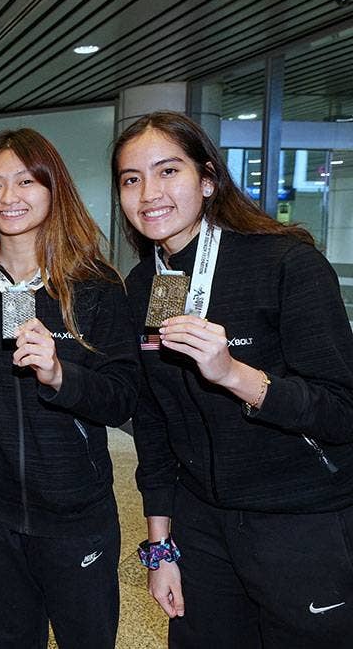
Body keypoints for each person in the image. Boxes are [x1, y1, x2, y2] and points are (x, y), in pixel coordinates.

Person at [114, 111, 353, 647]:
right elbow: (153, 424)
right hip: (201, 525)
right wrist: (161, 550)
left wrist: (235, 375)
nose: (149, 192)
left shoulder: (286, 263)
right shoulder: (145, 283)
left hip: (300, 520)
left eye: (168, 171)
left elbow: (342, 410)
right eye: (132, 179)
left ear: (208, 179)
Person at [0, 129, 138, 648]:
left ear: (54, 188)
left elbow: (124, 395)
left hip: (75, 511)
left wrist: (62, 377)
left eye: (26, 181)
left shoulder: (95, 284)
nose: (9, 198)